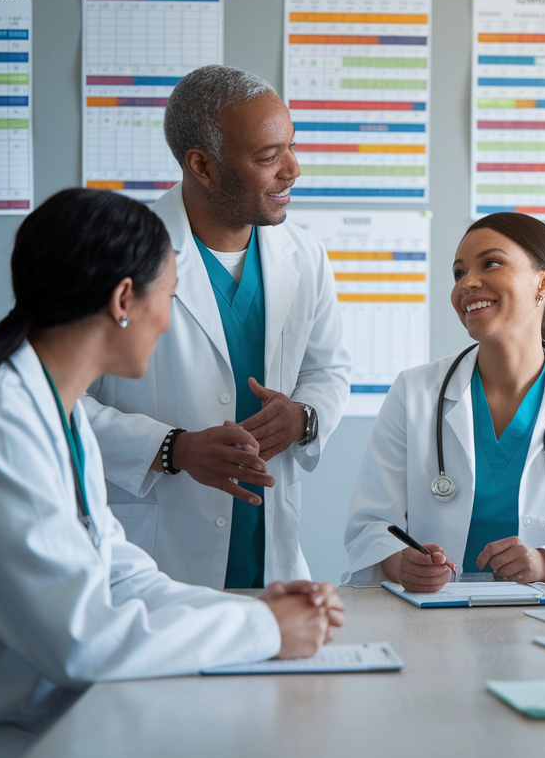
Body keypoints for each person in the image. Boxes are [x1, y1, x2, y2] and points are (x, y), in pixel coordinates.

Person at [0, 189, 345, 758]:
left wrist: (254, 611)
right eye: (167, 297)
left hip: (26, 722)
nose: (168, 322)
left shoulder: (50, 409)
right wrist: (266, 630)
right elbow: (83, 641)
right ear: (123, 299)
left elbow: (117, 568)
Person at [82, 66, 350, 589]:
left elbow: (329, 371)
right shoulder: (114, 257)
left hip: (270, 551)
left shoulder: (305, 254)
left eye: (292, 147)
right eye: (269, 157)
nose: (293, 169)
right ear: (202, 165)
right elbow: (61, 400)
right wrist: (170, 447)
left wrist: (304, 417)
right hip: (156, 552)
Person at [343, 213, 545, 589]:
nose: (467, 284)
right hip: (434, 621)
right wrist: (398, 562)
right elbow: (371, 525)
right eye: (458, 273)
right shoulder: (415, 392)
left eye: (491, 263)